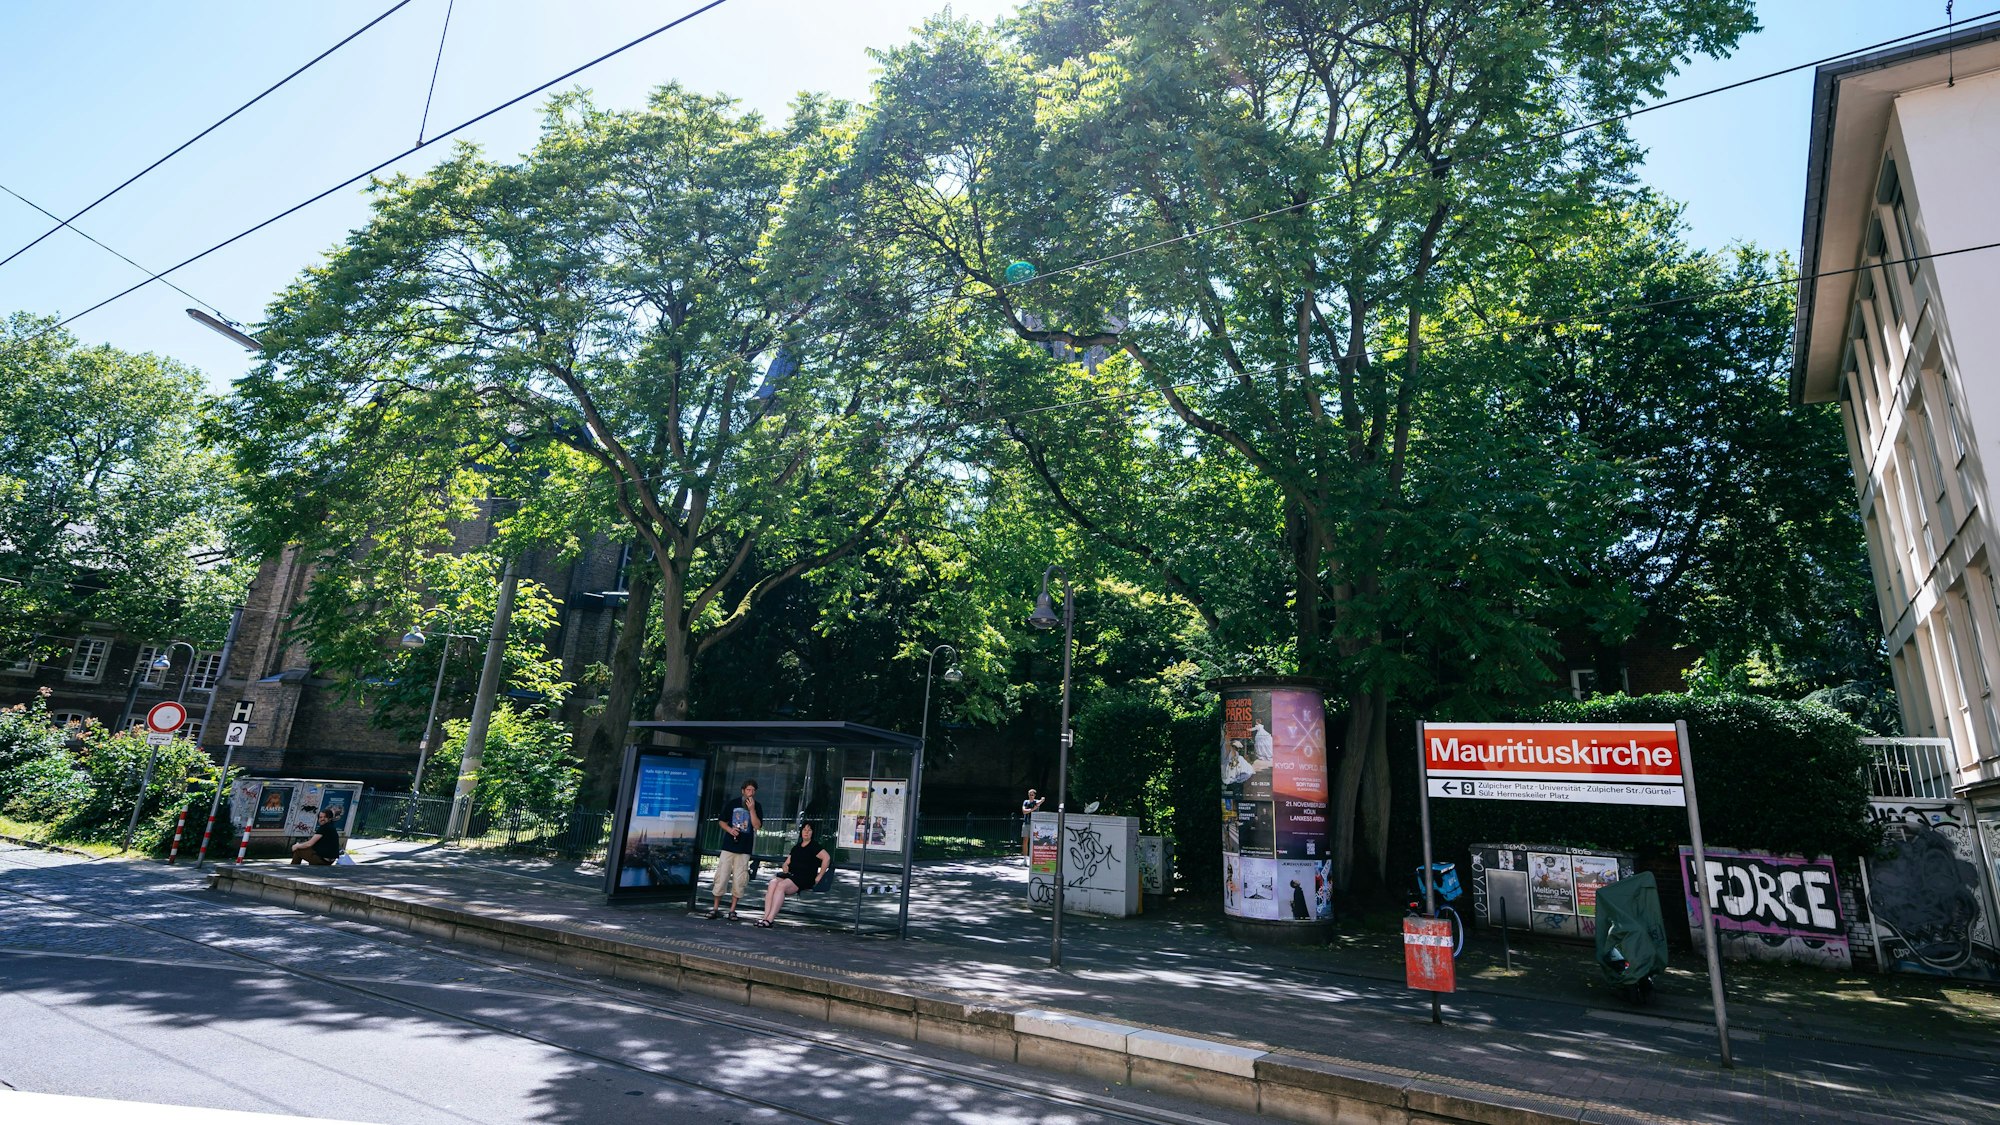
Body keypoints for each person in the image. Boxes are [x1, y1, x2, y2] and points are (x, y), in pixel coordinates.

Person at [756, 822, 830, 928]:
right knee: (773, 883)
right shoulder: (797, 847)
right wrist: (785, 866)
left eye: (809, 830)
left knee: (781, 886)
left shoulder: (814, 846)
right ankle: (765, 916)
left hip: (804, 877)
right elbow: (787, 862)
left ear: (812, 833)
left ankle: (770, 919)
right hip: (792, 875)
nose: (806, 832)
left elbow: (826, 858)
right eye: (804, 830)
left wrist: (820, 875)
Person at [708, 780, 761, 920]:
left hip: (744, 848)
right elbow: (721, 821)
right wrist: (730, 830)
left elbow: (757, 826)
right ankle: (715, 908)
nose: (750, 793)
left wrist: (752, 810)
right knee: (722, 876)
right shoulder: (732, 803)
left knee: (739, 879)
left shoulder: (757, 806)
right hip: (729, 846)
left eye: (753, 790)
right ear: (743, 790)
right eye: (748, 790)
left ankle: (732, 910)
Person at [1019, 789, 1045, 857]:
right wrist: (1033, 809)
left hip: (1035, 825)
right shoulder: (1026, 802)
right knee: (1025, 841)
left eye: (1032, 795)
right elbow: (1024, 811)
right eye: (1029, 794)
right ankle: (1025, 858)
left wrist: (1042, 799)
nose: (1031, 796)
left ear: (1034, 795)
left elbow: (1041, 801)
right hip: (1026, 823)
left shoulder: (1036, 802)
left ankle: (1033, 857)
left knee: (1035, 841)